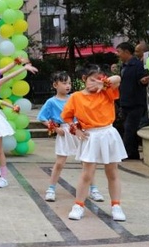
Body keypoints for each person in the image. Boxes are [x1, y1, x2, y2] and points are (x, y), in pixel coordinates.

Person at [61, 64, 127, 222]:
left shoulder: (106, 91)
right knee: (87, 174)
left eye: (100, 79)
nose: (96, 83)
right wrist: (75, 129)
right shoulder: (76, 97)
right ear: (84, 79)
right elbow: (67, 116)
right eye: (92, 79)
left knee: (112, 172)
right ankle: (78, 205)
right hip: (90, 136)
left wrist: (103, 83)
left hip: (108, 133)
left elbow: (117, 78)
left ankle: (116, 206)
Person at [37, 71, 104, 203]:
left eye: (69, 83)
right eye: (64, 83)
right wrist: (55, 128)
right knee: (60, 162)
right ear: (55, 85)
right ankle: (51, 189)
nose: (67, 86)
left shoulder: (75, 97)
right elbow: (42, 117)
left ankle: (94, 189)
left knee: (87, 162)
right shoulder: (51, 101)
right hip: (65, 131)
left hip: (79, 130)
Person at [116, 41, 149, 160]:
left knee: (130, 129)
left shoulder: (137, 65)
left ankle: (128, 153)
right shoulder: (124, 66)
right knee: (128, 128)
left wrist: (143, 81)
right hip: (125, 103)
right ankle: (133, 153)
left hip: (135, 103)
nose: (118, 54)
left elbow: (142, 79)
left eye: (119, 52)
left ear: (126, 52)